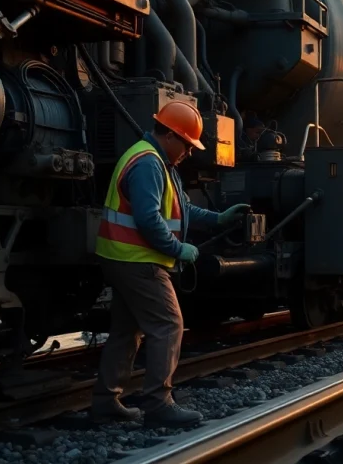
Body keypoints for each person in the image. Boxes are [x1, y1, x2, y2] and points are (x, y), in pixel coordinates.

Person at [93, 101, 250, 427]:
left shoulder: (157, 163)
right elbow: (149, 220)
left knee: (127, 330)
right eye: (188, 145)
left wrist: (219, 218)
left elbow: (183, 211)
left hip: (123, 258)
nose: (190, 152)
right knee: (168, 325)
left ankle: (106, 401)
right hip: (138, 260)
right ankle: (158, 403)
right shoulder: (149, 164)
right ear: (171, 136)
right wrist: (179, 250)